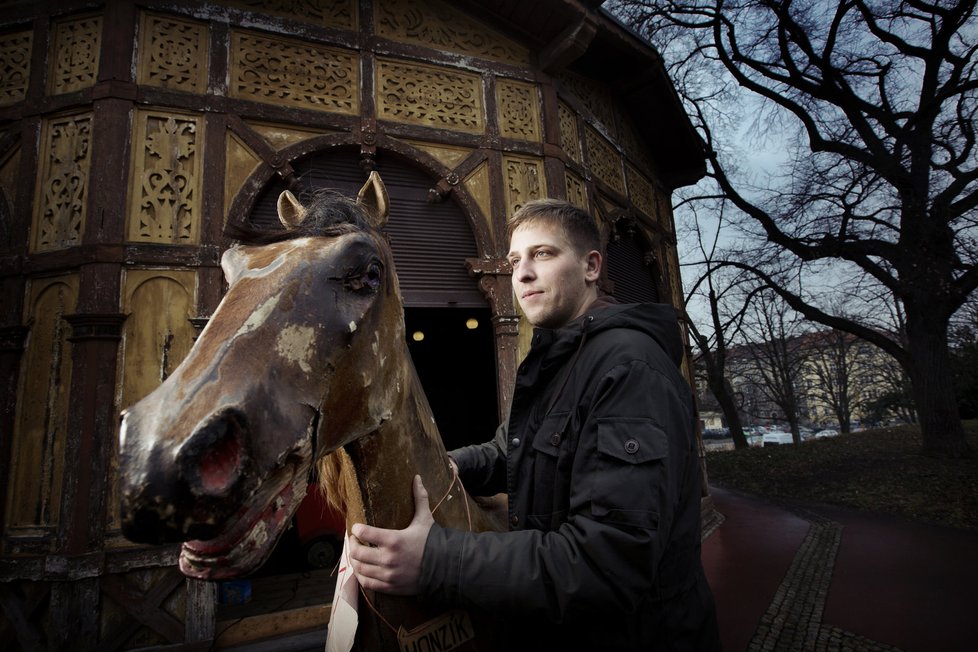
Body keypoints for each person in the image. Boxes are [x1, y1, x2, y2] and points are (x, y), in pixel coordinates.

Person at [348, 199, 721, 650]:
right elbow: (508, 453)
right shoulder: (561, 361)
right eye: (513, 260)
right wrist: (431, 466)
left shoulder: (628, 370)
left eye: (542, 254)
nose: (521, 274)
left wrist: (436, 561)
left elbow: (607, 563)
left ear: (591, 266)